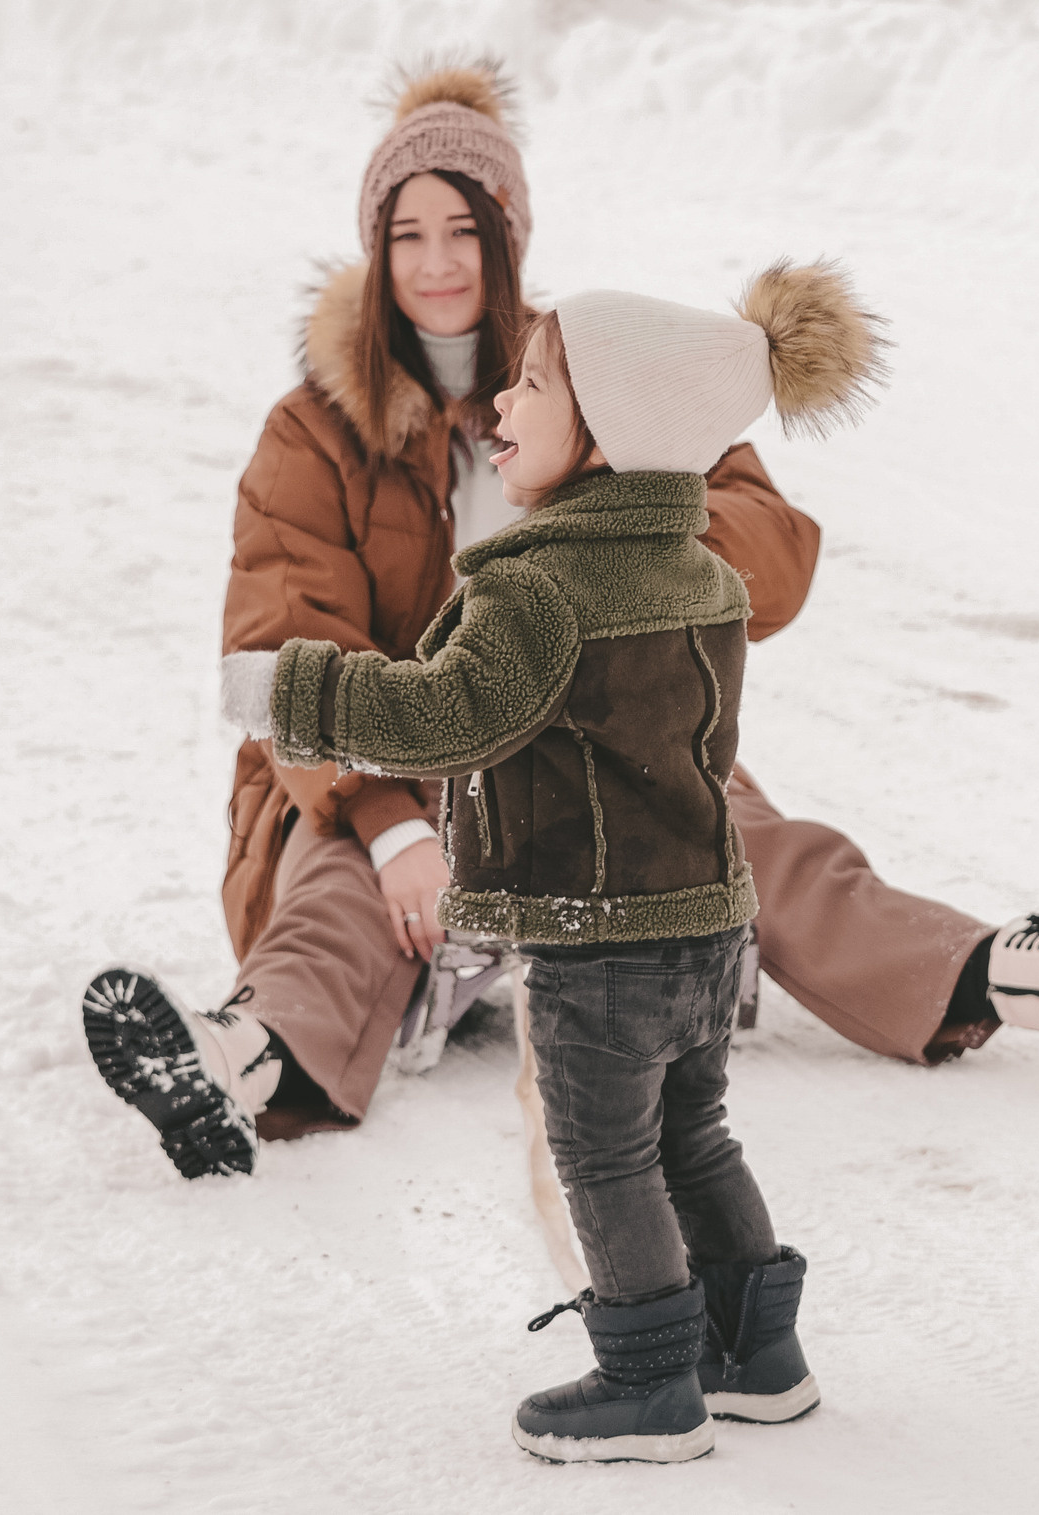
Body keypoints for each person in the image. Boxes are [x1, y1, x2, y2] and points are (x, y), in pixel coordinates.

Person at [77, 62, 1039, 1186]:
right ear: (375, 249)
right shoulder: (314, 429)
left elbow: (770, 540)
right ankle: (231, 1062)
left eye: (464, 231)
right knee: (334, 891)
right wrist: (389, 825)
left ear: (510, 235)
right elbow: (282, 644)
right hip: (382, 762)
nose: (435, 263)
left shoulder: (595, 374)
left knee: (747, 842)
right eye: (407, 233)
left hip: (585, 742)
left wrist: (631, 568)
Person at [212, 269, 880, 1461]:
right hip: (706, 921)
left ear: (609, 431)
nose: (501, 403)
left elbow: (445, 717)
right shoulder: (701, 570)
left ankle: (646, 1379)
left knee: (604, 1151)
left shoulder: (540, 589)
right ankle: (755, 1352)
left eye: (531, 382)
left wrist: (298, 691)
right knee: (694, 1137)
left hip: (601, 943)